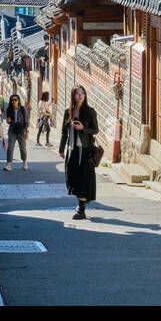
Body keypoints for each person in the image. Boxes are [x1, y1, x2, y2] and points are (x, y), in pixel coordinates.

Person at [58, 85, 98, 220]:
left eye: (82, 93)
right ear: (73, 96)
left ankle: (81, 209)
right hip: (72, 150)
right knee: (72, 178)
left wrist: (83, 128)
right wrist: (61, 148)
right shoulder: (68, 112)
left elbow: (95, 130)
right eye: (77, 93)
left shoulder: (90, 111)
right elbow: (64, 132)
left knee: (84, 180)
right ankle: (80, 204)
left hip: (86, 151)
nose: (80, 95)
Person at [3, 94, 29, 171]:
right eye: (12, 100)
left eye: (15, 100)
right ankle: (9, 164)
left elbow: (26, 120)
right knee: (10, 146)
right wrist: (8, 121)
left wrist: (26, 131)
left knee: (23, 147)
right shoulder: (9, 109)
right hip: (12, 129)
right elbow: (8, 120)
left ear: (18, 101)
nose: (14, 101)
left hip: (21, 130)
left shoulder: (23, 109)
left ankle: (24, 162)